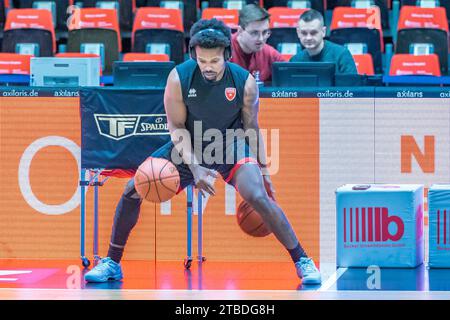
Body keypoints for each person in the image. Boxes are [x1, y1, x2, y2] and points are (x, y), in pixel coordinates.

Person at [84, 18, 321, 285]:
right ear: (194, 56)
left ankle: (303, 260)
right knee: (131, 189)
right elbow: (175, 127)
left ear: (227, 56)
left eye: (215, 61)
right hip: (190, 144)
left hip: (230, 142)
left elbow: (252, 129)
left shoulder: (244, 83)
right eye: (202, 61)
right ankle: (112, 262)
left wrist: (265, 173)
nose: (208, 67)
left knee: (257, 195)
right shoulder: (178, 78)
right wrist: (195, 167)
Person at [290, 9, 357, 74]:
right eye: (304, 33)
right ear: (298, 33)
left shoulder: (342, 55)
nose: (308, 38)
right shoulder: (295, 61)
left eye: (313, 33)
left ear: (323, 32)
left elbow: (353, 85)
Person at [230, 3, 285, 83]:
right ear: (240, 31)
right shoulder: (224, 50)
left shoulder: (270, 54)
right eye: (254, 33)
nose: (261, 39)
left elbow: (289, 75)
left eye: (265, 32)